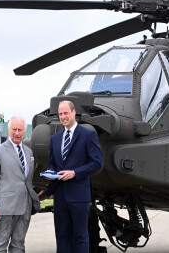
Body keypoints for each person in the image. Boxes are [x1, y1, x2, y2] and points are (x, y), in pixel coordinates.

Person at [46, 100, 103, 253]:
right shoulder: (55, 138)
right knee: (62, 236)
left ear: (73, 113)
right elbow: (52, 163)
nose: (63, 116)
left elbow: (97, 163)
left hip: (79, 195)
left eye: (65, 113)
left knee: (80, 236)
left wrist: (75, 173)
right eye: (60, 114)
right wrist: (50, 173)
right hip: (60, 195)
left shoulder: (88, 134)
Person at [0, 116, 41, 253]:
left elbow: (26, 179)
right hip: (6, 207)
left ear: (25, 131)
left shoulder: (28, 153)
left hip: (25, 207)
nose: (17, 133)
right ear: (9, 130)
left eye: (20, 130)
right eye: (14, 129)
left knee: (19, 245)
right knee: (0, 244)